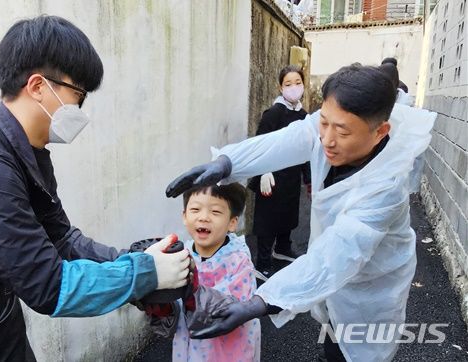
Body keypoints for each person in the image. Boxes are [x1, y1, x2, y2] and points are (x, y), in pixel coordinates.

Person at [0, 15, 189, 361]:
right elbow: (50, 287)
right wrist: (144, 274)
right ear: (37, 87)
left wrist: (132, 260)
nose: (80, 109)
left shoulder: (27, 152)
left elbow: (62, 238)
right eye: (78, 95)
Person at [165, 64, 437, 361]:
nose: (327, 140)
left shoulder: (387, 188)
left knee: (358, 351)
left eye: (342, 131)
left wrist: (259, 302)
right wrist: (227, 163)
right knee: (331, 338)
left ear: (379, 132)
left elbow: (334, 258)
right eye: (324, 123)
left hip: (370, 286)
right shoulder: (329, 129)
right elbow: (289, 138)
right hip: (333, 274)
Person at [172, 183, 261, 361]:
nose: (203, 217)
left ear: (232, 222)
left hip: (228, 344)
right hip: (190, 340)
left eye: (215, 212)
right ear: (184, 215)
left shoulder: (239, 259)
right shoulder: (182, 254)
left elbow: (230, 305)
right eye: (195, 209)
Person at [248, 65, 311, 279]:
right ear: (280, 87)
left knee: (288, 214)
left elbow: (306, 148)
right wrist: (263, 171)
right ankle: (262, 261)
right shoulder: (273, 113)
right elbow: (259, 143)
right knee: (268, 220)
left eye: (298, 83)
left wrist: (308, 179)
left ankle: (283, 248)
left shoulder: (304, 116)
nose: (293, 88)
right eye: (288, 84)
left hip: (291, 177)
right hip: (271, 176)